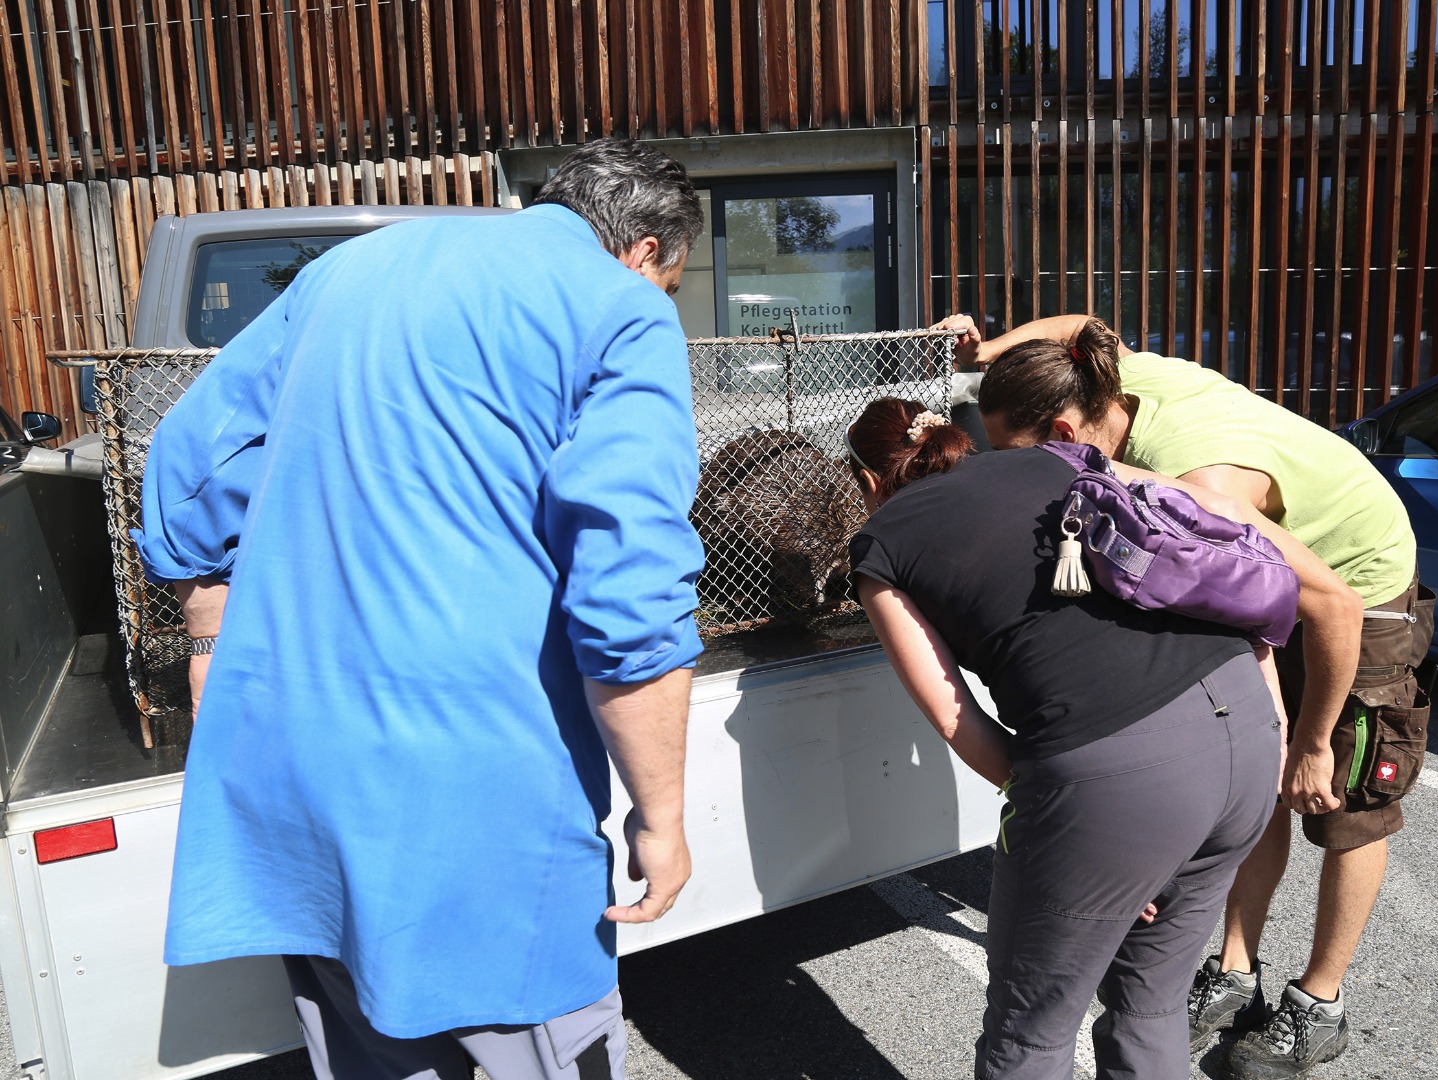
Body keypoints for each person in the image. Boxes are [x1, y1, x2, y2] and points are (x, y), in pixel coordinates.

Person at [135, 138, 708, 1080]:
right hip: (477, 790)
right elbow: (630, 595)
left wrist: (207, 627)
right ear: (646, 250)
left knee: (365, 1045)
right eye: (672, 281)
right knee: (538, 1043)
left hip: (301, 760)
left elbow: (192, 467)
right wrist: (662, 813)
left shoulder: (351, 269)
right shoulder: (619, 312)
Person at [936, 314, 1432, 1078]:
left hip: (1359, 589)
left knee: (1343, 806)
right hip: (1272, 575)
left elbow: (1328, 607)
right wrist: (994, 351)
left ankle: (1319, 1004)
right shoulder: (1111, 378)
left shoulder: (1199, 490)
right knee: (1259, 782)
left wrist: (1307, 743)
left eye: (1014, 457)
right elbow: (1087, 323)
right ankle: (1236, 972)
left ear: (1065, 429)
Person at [846, 396, 1283, 1080]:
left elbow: (955, 714)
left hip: (1119, 769)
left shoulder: (882, 545)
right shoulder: (1058, 457)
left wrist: (1084, 846)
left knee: (1030, 1033)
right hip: (1245, 732)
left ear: (869, 482)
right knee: (1151, 1006)